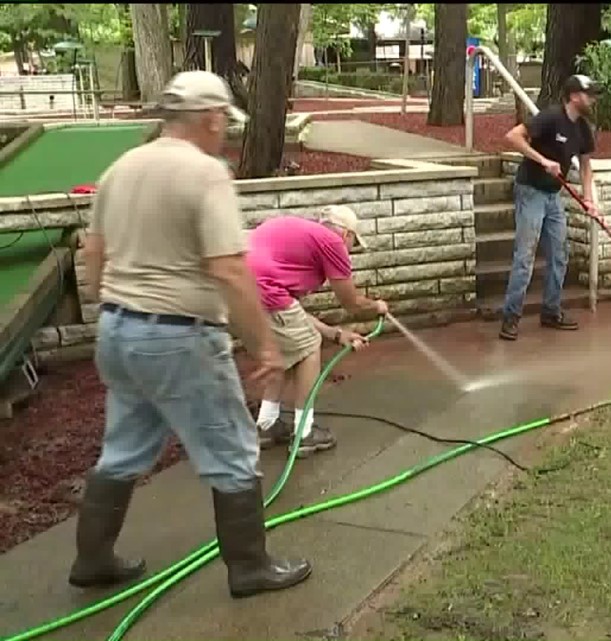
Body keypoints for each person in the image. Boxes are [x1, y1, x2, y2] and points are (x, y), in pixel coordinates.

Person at [70, 70, 312, 599]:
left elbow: (93, 253)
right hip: (179, 337)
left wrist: (112, 298)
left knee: (125, 447)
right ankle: (250, 568)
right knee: (233, 449)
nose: (224, 128)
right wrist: (265, 344)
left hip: (118, 329)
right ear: (209, 117)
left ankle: (92, 560)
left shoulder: (121, 168)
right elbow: (228, 269)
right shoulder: (205, 174)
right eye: (223, 118)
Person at [247, 206, 388, 455]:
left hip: (239, 289)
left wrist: (335, 334)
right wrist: (376, 306)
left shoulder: (299, 237)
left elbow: (293, 314)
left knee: (286, 350)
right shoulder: (332, 242)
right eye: (353, 244)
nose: (350, 251)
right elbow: (352, 304)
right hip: (264, 290)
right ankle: (304, 433)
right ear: (346, 234)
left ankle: (267, 425)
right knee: (308, 347)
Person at [499, 74, 601, 341]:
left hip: (553, 196)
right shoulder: (550, 117)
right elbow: (512, 137)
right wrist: (543, 160)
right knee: (525, 257)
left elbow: (587, 168)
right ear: (574, 96)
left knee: (560, 254)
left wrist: (588, 200)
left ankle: (551, 311)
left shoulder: (582, 128)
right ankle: (510, 317)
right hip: (530, 191)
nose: (593, 99)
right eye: (589, 94)